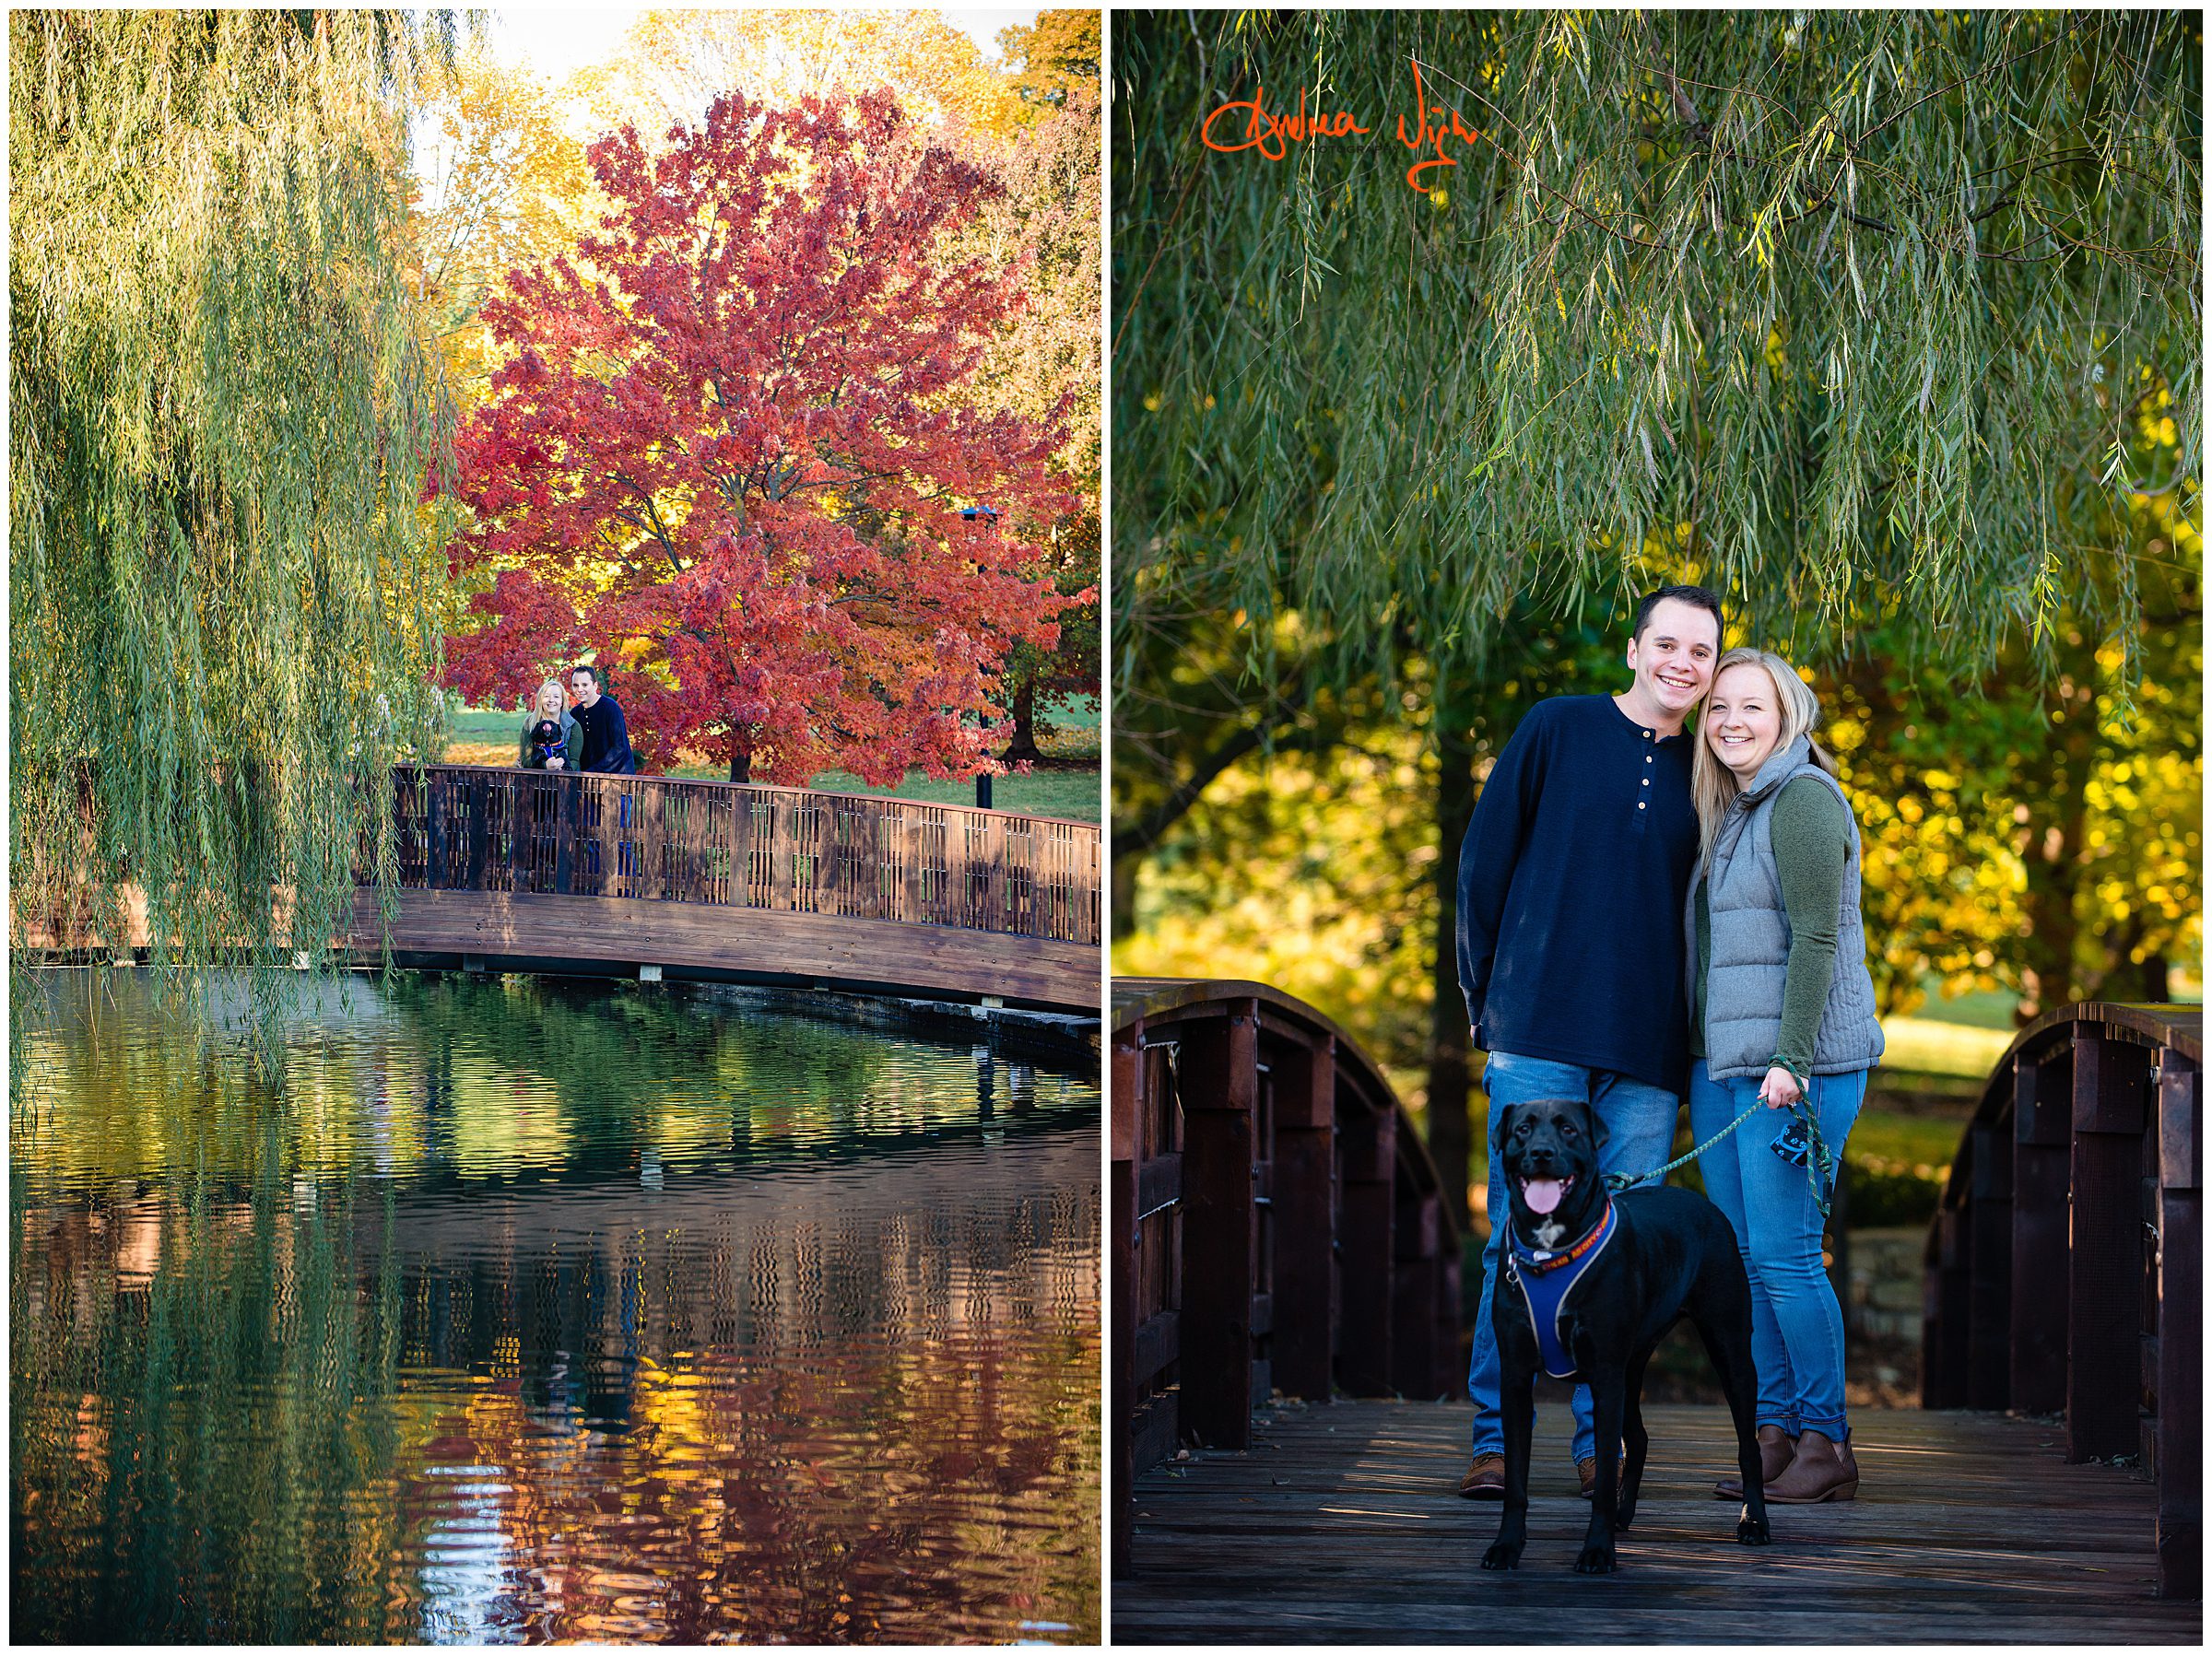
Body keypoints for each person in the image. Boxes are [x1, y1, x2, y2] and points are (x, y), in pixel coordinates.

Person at [1454, 584, 1724, 1501]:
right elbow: (1484, 861)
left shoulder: (1713, 765)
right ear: (1635, 648)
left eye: (1702, 652)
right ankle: (1496, 1439)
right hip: (1537, 1025)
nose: (1683, 664)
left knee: (1622, 1253)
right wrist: (1481, 997)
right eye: (1669, 644)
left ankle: (1598, 1444)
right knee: (1513, 1242)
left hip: (1647, 1048)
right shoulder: (1556, 726)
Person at [1687, 648, 1883, 1504]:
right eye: (1718, 706)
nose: (1732, 719)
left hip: (1794, 1071)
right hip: (1732, 1069)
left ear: (1789, 714)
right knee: (1744, 1259)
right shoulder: (1737, 808)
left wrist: (1791, 1060)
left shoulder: (1801, 798)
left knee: (1789, 1256)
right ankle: (1770, 1433)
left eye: (1751, 706)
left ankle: (1825, 1442)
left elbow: (1816, 940)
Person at [567, 663, 637, 775]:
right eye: (575, 685)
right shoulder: (575, 714)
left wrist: (593, 771)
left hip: (618, 778)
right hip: (589, 780)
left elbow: (619, 748)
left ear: (595, 686)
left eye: (585, 685)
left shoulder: (610, 707)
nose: (579, 689)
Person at [518, 678, 577, 770]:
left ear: (562, 701)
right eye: (546, 696)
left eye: (556, 697)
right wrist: (545, 766)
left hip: (565, 780)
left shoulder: (573, 726)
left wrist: (563, 769)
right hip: (536, 780)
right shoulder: (530, 723)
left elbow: (575, 760)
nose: (551, 700)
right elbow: (525, 760)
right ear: (541, 700)